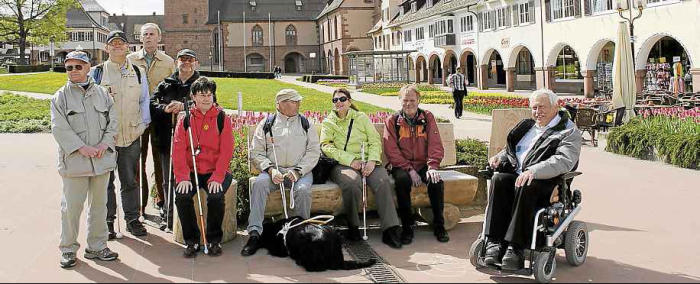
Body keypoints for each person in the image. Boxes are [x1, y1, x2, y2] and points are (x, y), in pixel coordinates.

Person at [484, 89, 582, 270]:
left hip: (547, 181)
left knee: (526, 183)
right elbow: (512, 151)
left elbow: (564, 160)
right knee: (498, 179)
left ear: (556, 106)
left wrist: (534, 171)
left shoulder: (568, 131)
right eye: (534, 108)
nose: (538, 112)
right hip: (520, 176)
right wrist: (499, 158)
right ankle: (494, 242)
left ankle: (516, 248)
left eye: (542, 107)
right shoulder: (527, 127)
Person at [51, 50, 119, 268]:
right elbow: (58, 128)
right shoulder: (60, 96)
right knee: (71, 208)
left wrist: (102, 145)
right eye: (68, 67)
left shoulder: (103, 94)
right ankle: (68, 249)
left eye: (77, 66)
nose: (72, 71)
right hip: (75, 162)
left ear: (88, 67)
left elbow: (113, 123)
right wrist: (82, 148)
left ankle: (97, 247)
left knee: (99, 206)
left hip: (101, 160)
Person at [241, 89, 321, 256]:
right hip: (274, 171)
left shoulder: (306, 123)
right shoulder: (266, 124)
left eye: (298, 101)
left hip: (300, 171)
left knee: (303, 190)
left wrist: (299, 171)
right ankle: (255, 233)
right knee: (259, 183)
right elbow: (256, 152)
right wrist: (270, 170)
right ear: (282, 104)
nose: (298, 103)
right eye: (294, 101)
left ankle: (301, 233)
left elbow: (314, 151)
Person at [320, 88, 403, 249]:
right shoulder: (328, 122)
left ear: (349, 101)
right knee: (352, 183)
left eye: (342, 99)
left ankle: (390, 228)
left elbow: (374, 141)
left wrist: (372, 161)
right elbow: (326, 146)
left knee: (382, 181)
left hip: (367, 161)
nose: (339, 103)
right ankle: (353, 226)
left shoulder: (361, 118)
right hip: (343, 164)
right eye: (335, 100)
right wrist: (350, 160)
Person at [91, 30, 151, 238]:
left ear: (128, 47)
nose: (117, 46)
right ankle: (107, 221)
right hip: (105, 139)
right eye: (113, 43)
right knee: (105, 183)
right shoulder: (96, 73)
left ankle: (132, 220)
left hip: (131, 136)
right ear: (106, 48)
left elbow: (144, 101)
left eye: (121, 43)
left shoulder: (138, 71)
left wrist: (143, 125)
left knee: (130, 181)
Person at [172, 77, 234, 258]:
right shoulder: (185, 119)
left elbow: (226, 150)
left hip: (215, 171)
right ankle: (191, 240)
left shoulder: (222, 118)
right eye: (202, 95)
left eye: (210, 94)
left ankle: (214, 239)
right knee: (182, 196)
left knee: (215, 197)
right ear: (193, 96)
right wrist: (182, 176)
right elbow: (178, 150)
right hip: (191, 172)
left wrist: (218, 176)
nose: (207, 98)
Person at [383, 85, 449, 244]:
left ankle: (439, 226)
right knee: (402, 181)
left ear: (418, 100)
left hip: (424, 163)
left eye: (412, 100)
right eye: (405, 100)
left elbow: (435, 144)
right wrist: (409, 170)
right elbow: (391, 150)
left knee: (436, 181)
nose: (408, 103)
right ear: (400, 100)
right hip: (402, 166)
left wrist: (432, 167)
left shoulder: (427, 117)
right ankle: (407, 227)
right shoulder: (392, 121)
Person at [128, 23, 176, 216]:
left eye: (151, 34)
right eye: (145, 34)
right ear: (141, 38)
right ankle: (140, 202)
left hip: (159, 118)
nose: (148, 37)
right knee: (138, 159)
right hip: (136, 116)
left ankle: (162, 200)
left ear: (159, 38)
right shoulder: (130, 60)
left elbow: (173, 88)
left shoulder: (168, 61)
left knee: (160, 159)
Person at [150, 49, 201, 229]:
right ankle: (169, 214)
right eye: (182, 59)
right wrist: (165, 108)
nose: (186, 62)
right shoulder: (166, 84)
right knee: (167, 179)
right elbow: (152, 103)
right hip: (167, 139)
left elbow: (210, 104)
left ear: (195, 63)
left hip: (193, 141)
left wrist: (184, 106)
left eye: (190, 59)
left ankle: (186, 216)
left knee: (188, 178)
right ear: (177, 62)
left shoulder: (202, 85)